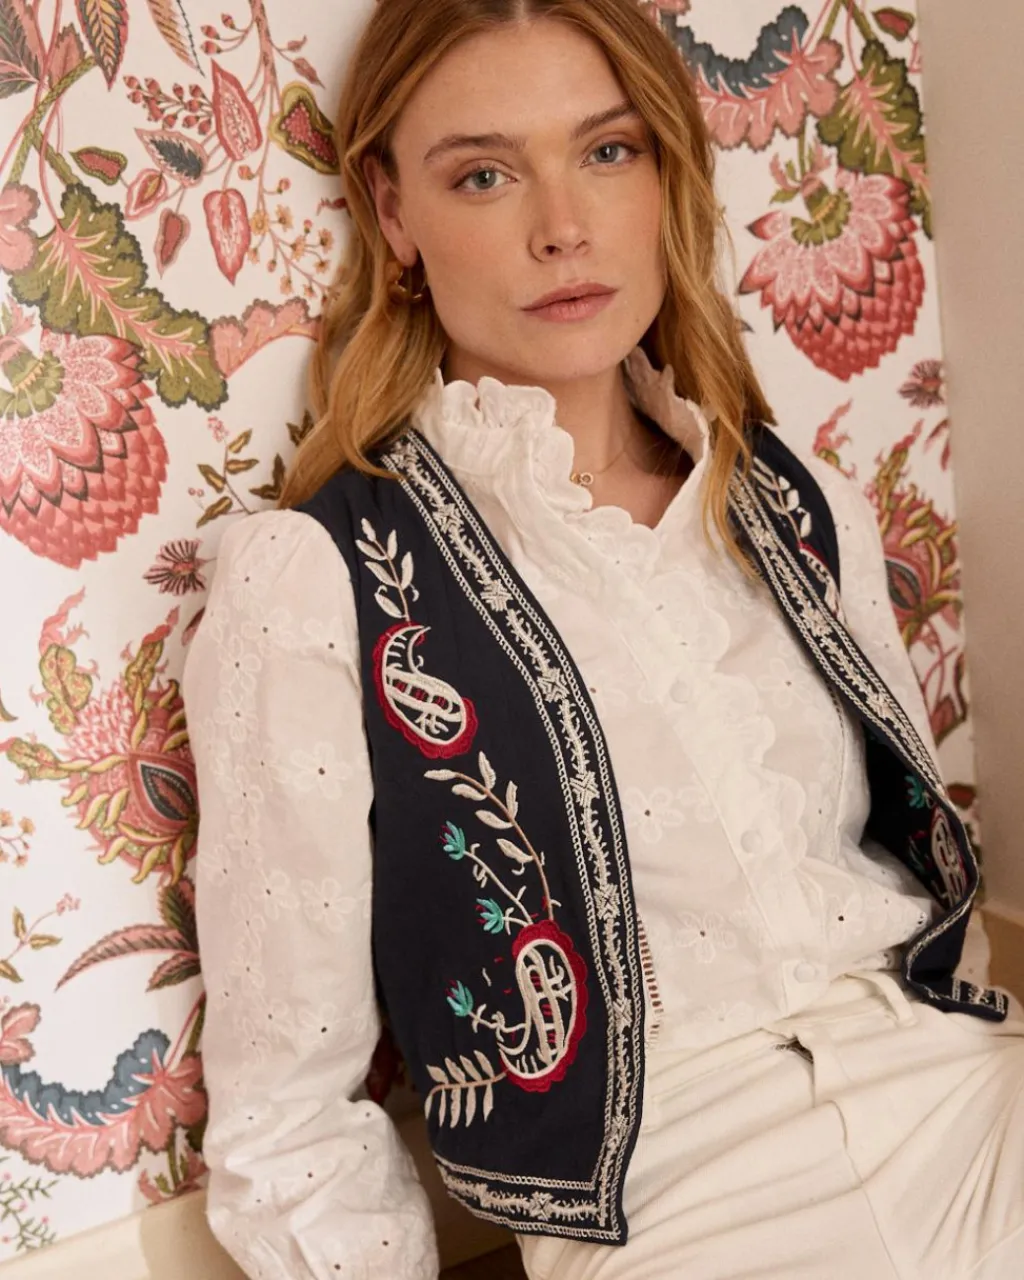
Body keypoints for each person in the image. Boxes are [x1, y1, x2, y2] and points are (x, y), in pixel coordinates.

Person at [181, 2, 1024, 1277]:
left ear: (664, 173)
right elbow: (286, 1115)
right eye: (483, 174)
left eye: (608, 151)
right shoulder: (318, 579)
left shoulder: (794, 503)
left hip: (968, 1102)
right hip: (668, 1205)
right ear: (394, 214)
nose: (562, 226)